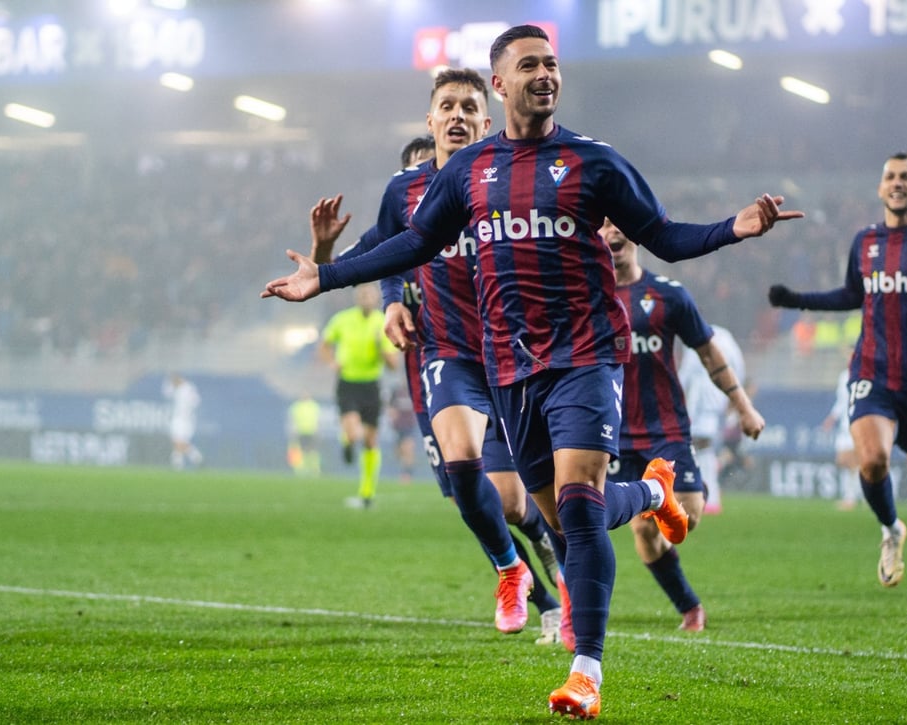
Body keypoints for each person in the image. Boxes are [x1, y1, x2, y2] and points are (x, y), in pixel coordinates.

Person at [264, 24, 802, 717]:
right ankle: (650, 492)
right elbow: (413, 244)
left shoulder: (594, 162)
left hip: (584, 355)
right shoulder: (468, 172)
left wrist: (735, 226)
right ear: (501, 83)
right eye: (529, 64)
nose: (546, 73)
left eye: (551, 63)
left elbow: (664, 234)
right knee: (560, 513)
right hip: (509, 369)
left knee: (576, 506)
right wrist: (327, 276)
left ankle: (586, 672)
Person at [309, 77, 561, 640]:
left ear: (485, 118)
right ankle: (517, 576)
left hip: (513, 356)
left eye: (468, 107)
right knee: (465, 477)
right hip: (443, 356)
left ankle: (550, 573)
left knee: (517, 503)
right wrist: (341, 268)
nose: (455, 116)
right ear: (429, 121)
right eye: (445, 106)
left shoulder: (508, 181)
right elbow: (383, 253)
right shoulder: (406, 194)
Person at [768, 151, 907, 621]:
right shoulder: (865, 241)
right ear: (881, 187)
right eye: (890, 176)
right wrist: (797, 301)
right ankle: (891, 528)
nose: (897, 182)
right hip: (873, 371)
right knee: (872, 459)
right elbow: (851, 295)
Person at [605, 219, 765, 635]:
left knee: (686, 520)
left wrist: (744, 408)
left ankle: (681, 492)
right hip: (613, 434)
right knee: (642, 528)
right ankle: (690, 608)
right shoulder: (585, 295)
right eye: (600, 225)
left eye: (617, 223)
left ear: (632, 234)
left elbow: (709, 353)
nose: (610, 232)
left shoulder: (668, 295)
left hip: (666, 430)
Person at [319, 283, 399, 509]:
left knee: (371, 441)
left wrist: (381, 346)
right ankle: (347, 441)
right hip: (348, 383)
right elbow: (324, 345)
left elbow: (394, 365)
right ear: (356, 298)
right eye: (362, 294)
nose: (365, 298)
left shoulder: (383, 323)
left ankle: (367, 493)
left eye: (369, 294)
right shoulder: (342, 320)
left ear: (376, 298)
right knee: (354, 433)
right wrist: (332, 363)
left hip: (372, 386)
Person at [677, 323, 748, 515]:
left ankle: (710, 497)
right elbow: (739, 368)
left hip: (700, 401)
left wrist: (676, 396)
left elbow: (686, 373)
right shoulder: (727, 336)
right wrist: (734, 395)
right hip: (717, 398)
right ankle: (705, 493)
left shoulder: (693, 335)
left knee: (701, 446)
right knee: (702, 448)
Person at [822, 365, 861, 511]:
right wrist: (831, 418)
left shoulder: (864, 374)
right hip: (844, 423)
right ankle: (854, 495)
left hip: (856, 421)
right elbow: (841, 401)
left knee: (851, 462)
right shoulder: (844, 376)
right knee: (843, 461)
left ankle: (850, 498)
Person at [162, 372, 203, 471]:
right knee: (178, 442)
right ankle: (182, 463)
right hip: (178, 418)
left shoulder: (188, 388)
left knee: (180, 442)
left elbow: (196, 401)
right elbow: (166, 392)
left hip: (186, 419)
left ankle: (195, 458)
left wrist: (189, 410)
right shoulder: (176, 389)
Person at [287, 390, 322, 477]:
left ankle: (314, 469)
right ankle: (300, 469)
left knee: (312, 451)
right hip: (299, 431)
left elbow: (318, 420)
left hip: (312, 431)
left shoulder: (314, 406)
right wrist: (292, 430)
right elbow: (292, 419)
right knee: (299, 451)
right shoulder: (296, 406)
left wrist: (318, 430)